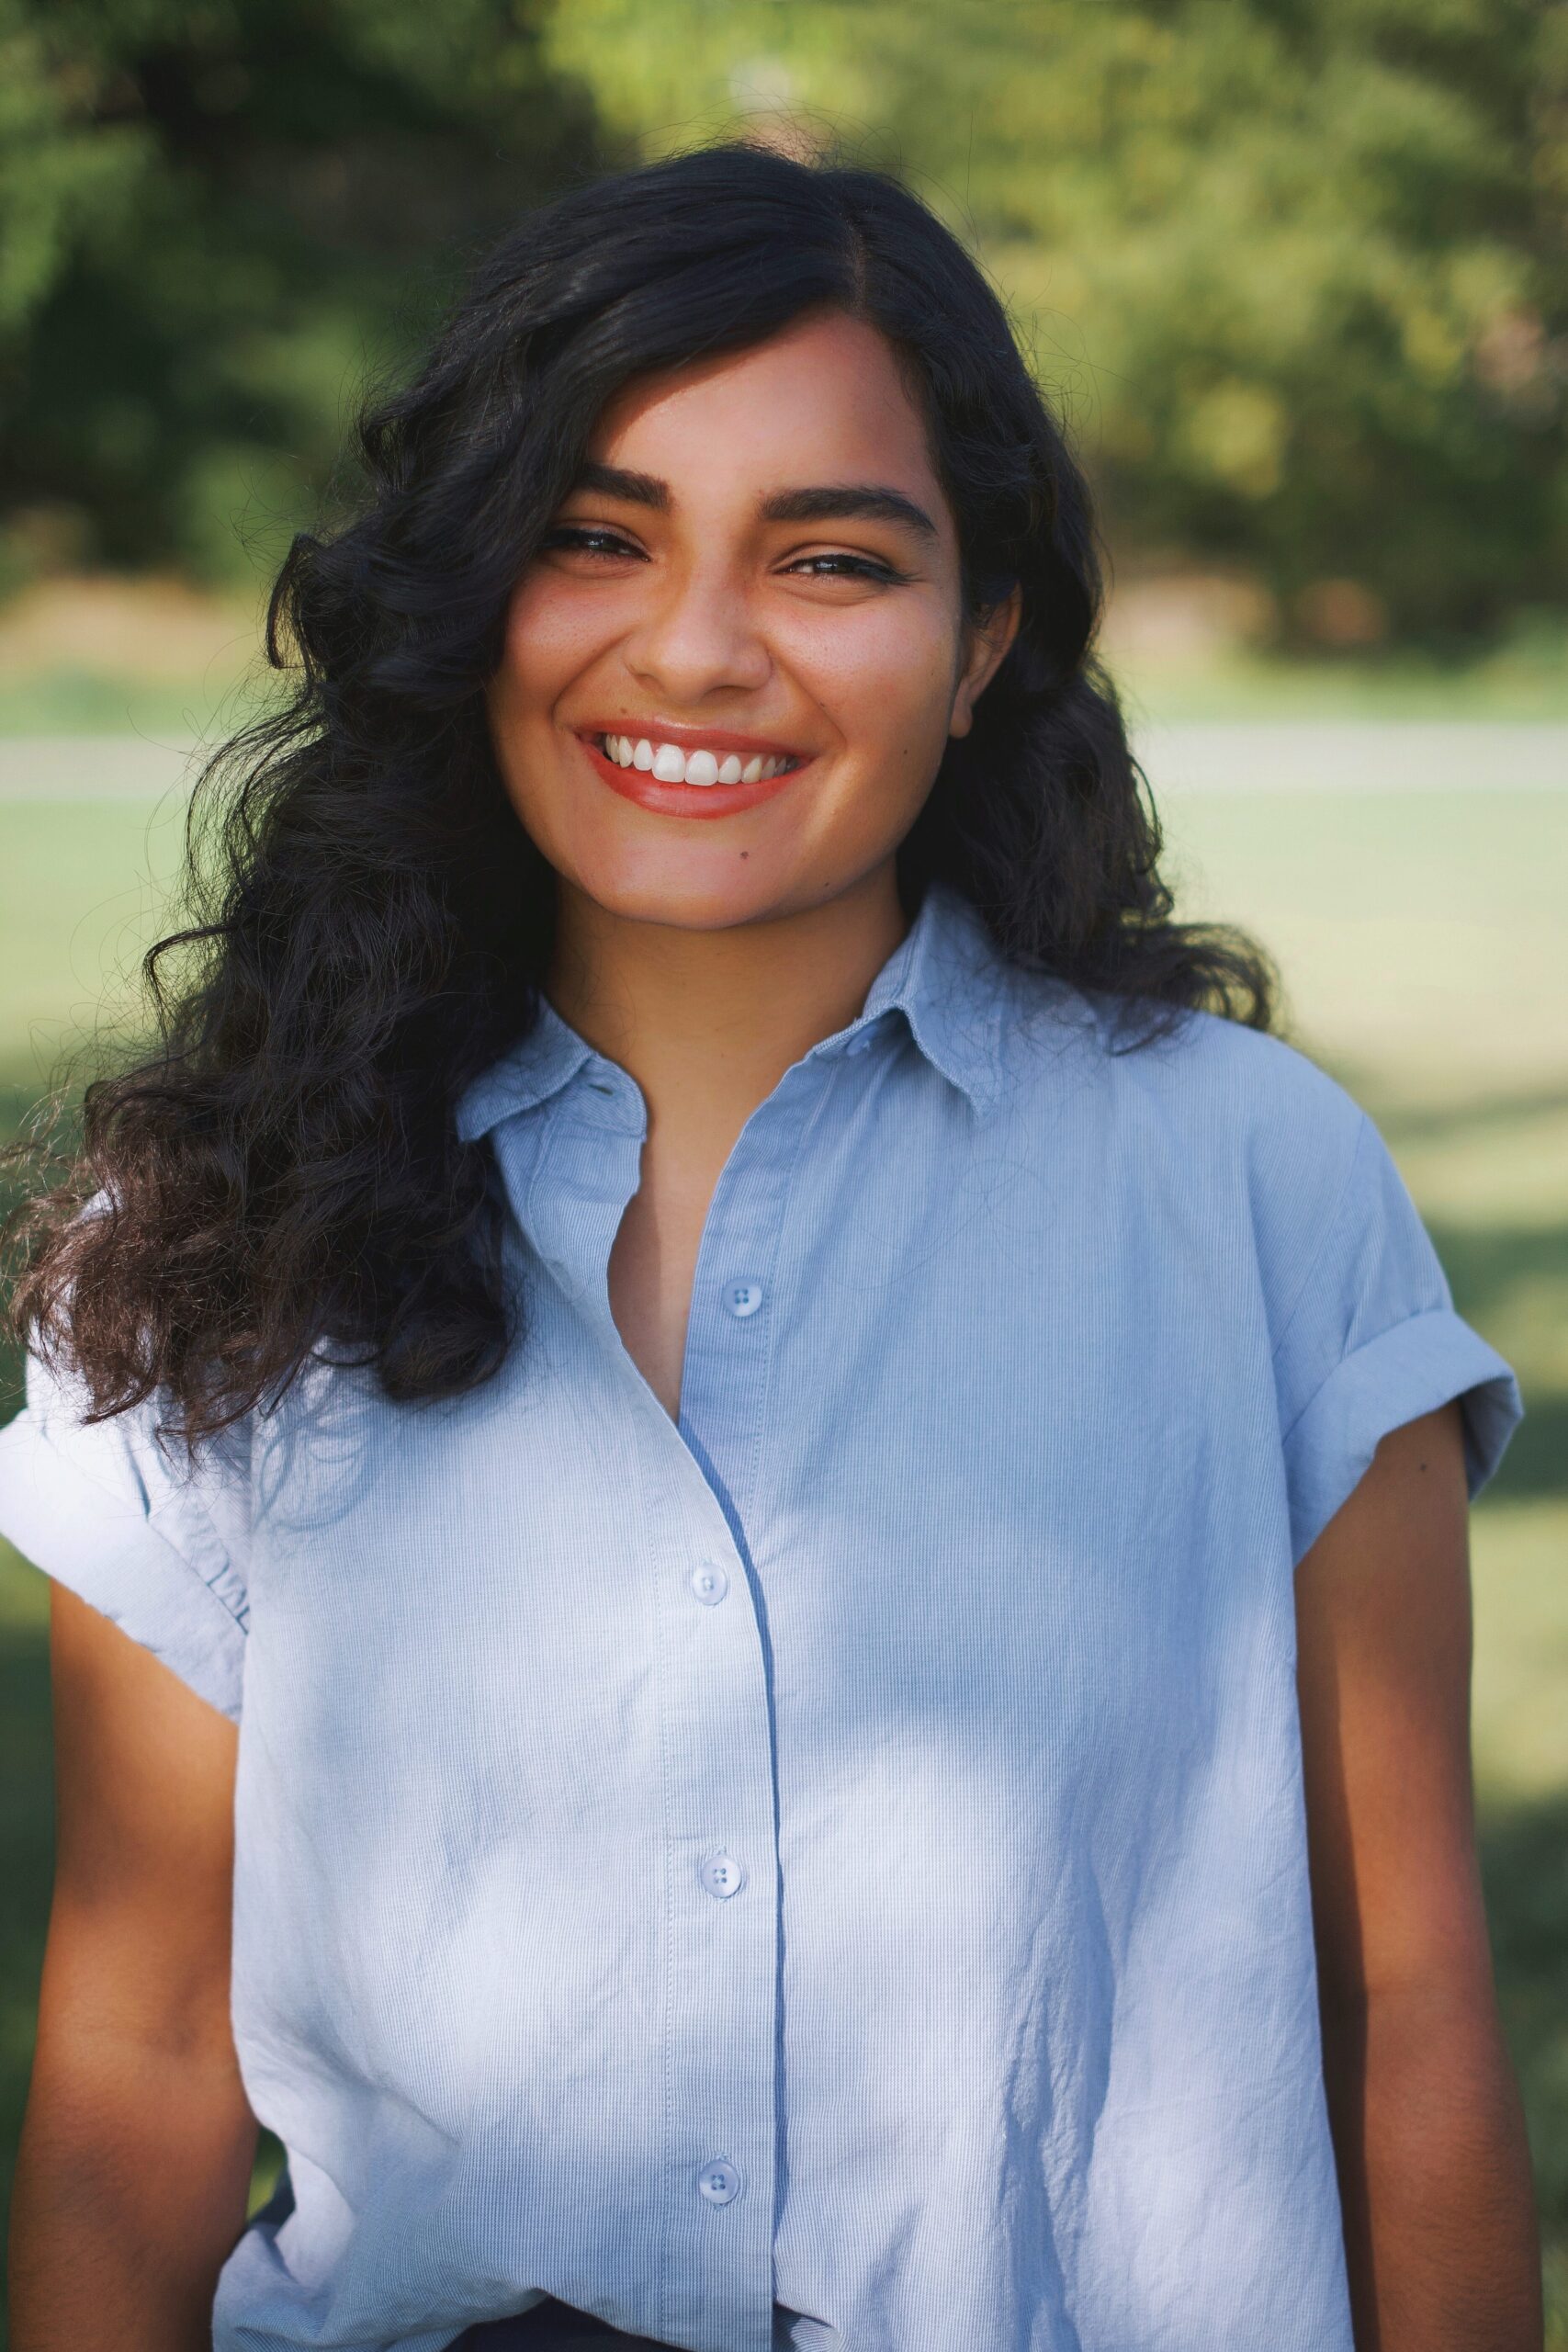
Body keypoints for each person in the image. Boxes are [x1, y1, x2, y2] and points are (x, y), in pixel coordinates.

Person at [0, 140, 1541, 2352]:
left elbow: (1396, 2008)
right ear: (473, 593)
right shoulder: (205, 1233)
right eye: (594, 535)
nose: (697, 647)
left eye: (828, 558)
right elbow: (135, 2055)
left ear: (982, 631)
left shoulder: (1254, 1191)